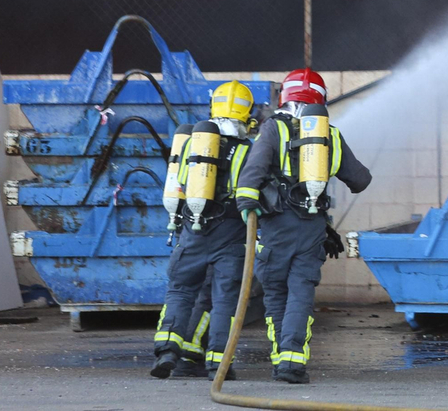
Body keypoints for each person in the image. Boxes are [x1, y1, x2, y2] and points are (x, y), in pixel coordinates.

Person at [236, 68, 371, 384]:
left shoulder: (273, 128)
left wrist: (246, 208)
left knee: (276, 293)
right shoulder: (330, 135)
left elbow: (252, 173)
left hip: (275, 226)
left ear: (286, 97)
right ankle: (292, 362)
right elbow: (360, 180)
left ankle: (280, 359)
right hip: (311, 228)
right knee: (300, 292)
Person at [150, 81, 257, 379]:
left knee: (180, 291)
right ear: (247, 114)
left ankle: (167, 350)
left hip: (193, 230)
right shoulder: (248, 150)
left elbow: (182, 184)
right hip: (231, 235)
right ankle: (218, 365)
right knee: (225, 299)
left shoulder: (192, 145)